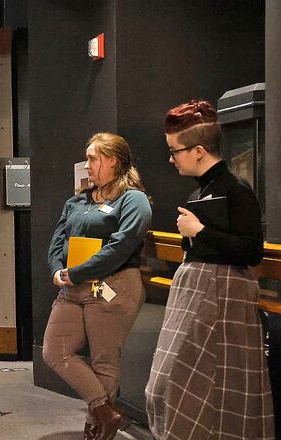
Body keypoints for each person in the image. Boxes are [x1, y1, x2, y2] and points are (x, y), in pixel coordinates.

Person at [145, 100, 274, 439]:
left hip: (224, 296)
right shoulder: (202, 192)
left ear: (199, 151)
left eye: (175, 151)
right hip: (197, 292)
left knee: (218, 385)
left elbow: (251, 251)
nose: (171, 159)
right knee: (168, 385)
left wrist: (200, 231)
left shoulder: (236, 191)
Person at [43, 133, 152, 440]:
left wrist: (78, 272)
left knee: (104, 361)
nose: (87, 164)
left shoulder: (133, 200)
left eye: (93, 158)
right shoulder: (77, 201)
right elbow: (57, 242)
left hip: (113, 285)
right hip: (73, 286)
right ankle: (106, 412)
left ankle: (97, 429)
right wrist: (57, 270)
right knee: (55, 350)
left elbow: (121, 246)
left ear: (112, 161)